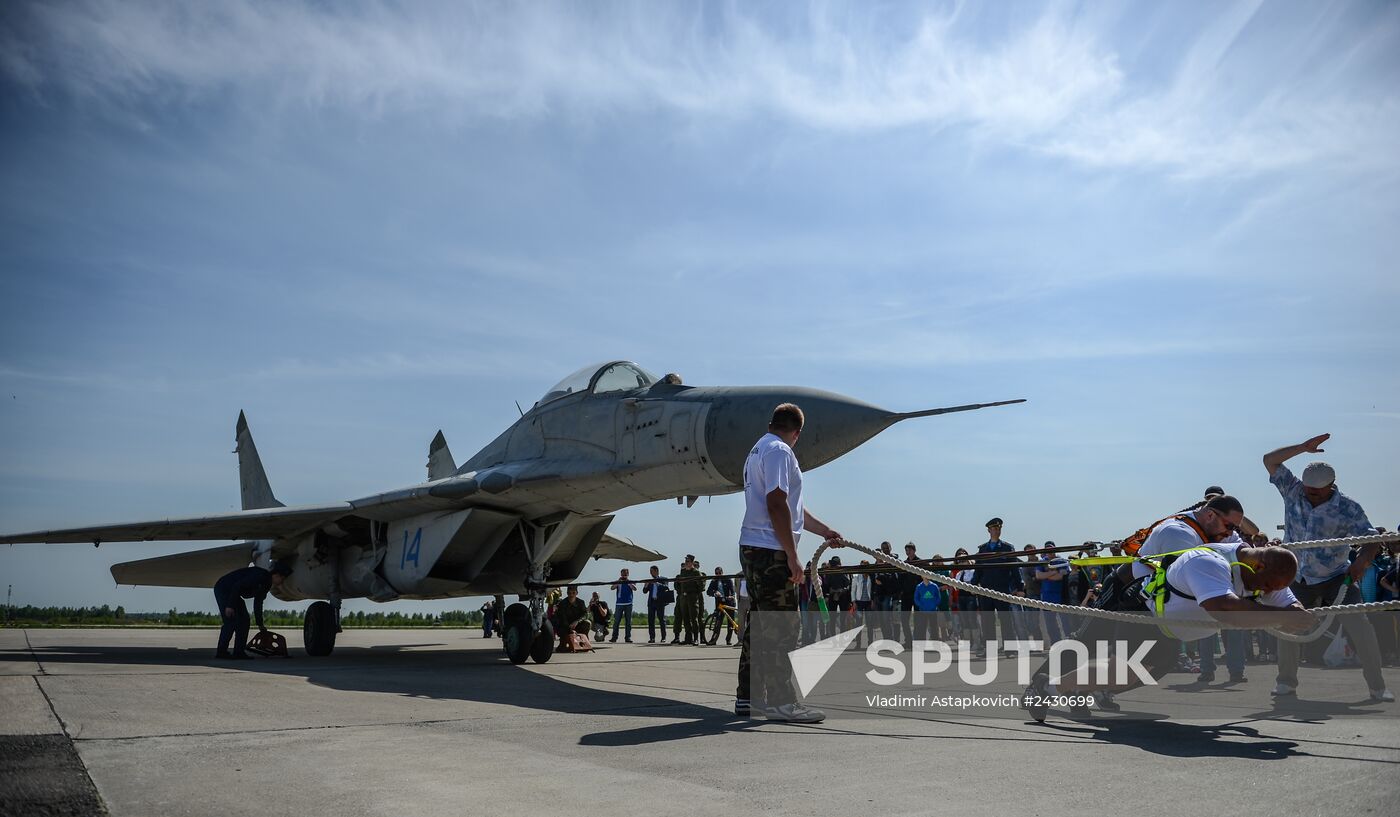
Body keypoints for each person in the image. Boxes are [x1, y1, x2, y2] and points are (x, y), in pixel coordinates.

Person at [1025, 544, 1311, 722]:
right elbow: (1224, 608)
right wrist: (1280, 618)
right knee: (1124, 669)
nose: (1269, 592)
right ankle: (1046, 687)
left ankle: (1071, 687)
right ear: (1258, 566)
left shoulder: (1264, 573)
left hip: (1170, 632)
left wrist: (1296, 612)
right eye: (1270, 585)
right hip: (1145, 613)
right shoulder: (1208, 562)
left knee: (1134, 676)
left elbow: (1286, 602)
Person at [735, 402, 842, 723]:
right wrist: (792, 556)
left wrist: (824, 531)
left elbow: (792, 507)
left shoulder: (758, 449)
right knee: (782, 628)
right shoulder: (781, 451)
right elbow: (777, 503)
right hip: (771, 551)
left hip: (754, 547)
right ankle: (782, 702)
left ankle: (749, 698)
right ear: (797, 432)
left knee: (758, 625)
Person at [1264, 434, 1393, 702]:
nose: (1310, 493)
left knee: (1361, 628)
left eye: (1317, 491)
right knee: (1288, 626)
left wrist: (1361, 562)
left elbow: (1371, 541)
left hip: (1338, 578)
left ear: (1331, 486)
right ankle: (1286, 683)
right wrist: (1301, 448)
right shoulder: (1293, 490)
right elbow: (1269, 460)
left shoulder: (1348, 508)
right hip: (1297, 575)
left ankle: (1377, 687)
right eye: (1308, 489)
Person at [214, 561, 292, 659]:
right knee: (231, 621)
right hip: (224, 589)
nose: (282, 582)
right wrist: (230, 606)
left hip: (234, 593)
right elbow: (238, 585)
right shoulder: (260, 576)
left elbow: (258, 603)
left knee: (245, 621)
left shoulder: (266, 584)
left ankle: (239, 652)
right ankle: (221, 652)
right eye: (282, 578)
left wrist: (260, 624)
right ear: (276, 575)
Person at [971, 518, 1025, 655]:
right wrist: (972, 586)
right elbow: (978, 570)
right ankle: (989, 649)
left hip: (1002, 589)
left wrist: (1020, 587)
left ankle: (1010, 649)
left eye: (999, 528)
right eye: (994, 528)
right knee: (987, 621)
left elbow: (1015, 569)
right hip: (986, 589)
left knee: (1006, 620)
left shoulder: (1007, 548)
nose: (997, 530)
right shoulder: (983, 549)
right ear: (989, 530)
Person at [675, 557, 704, 645]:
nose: (686, 563)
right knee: (686, 618)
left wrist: (696, 594)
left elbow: (701, 585)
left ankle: (696, 638)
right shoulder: (683, 572)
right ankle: (688, 638)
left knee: (694, 618)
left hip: (692, 597)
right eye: (686, 561)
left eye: (688, 561)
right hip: (684, 597)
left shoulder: (696, 572)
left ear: (692, 563)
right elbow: (679, 584)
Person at [707, 566, 737, 645]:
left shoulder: (728, 579)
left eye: (719, 573)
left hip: (729, 602)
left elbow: (732, 591)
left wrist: (732, 596)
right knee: (718, 622)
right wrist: (714, 593)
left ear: (722, 572)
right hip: (719, 603)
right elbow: (708, 591)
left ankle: (728, 640)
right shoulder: (714, 581)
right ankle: (713, 640)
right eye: (716, 573)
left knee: (730, 622)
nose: (718, 575)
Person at [642, 565, 670, 644]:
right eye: (650, 571)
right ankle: (652, 638)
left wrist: (657, 584)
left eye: (652, 571)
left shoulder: (664, 579)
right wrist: (646, 585)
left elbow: (666, 587)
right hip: (651, 602)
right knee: (651, 621)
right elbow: (644, 591)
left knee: (662, 620)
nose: (650, 573)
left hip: (660, 602)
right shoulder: (650, 580)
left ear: (656, 571)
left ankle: (663, 637)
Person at [609, 568, 636, 643]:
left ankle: (628, 637)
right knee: (616, 621)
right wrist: (618, 582)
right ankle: (614, 637)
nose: (624, 575)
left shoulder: (631, 581)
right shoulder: (618, 581)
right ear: (621, 574)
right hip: (619, 604)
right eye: (623, 573)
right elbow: (612, 588)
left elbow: (635, 589)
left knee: (628, 622)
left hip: (628, 603)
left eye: (626, 573)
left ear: (628, 574)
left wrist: (628, 582)